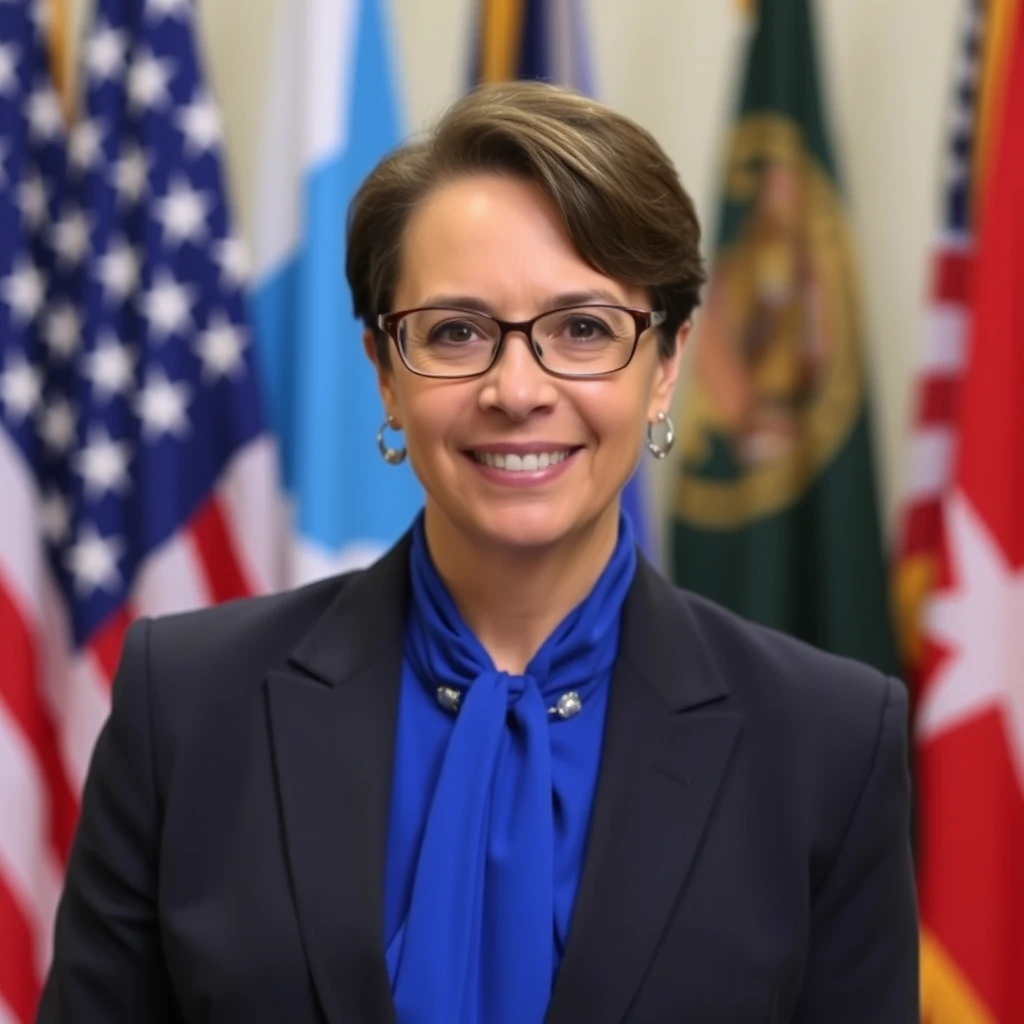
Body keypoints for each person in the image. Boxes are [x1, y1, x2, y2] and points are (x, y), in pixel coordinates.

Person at [39, 81, 918, 1023]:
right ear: (384, 371)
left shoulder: (827, 741)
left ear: (665, 367)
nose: (516, 388)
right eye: (456, 333)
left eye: (583, 329)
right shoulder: (185, 705)